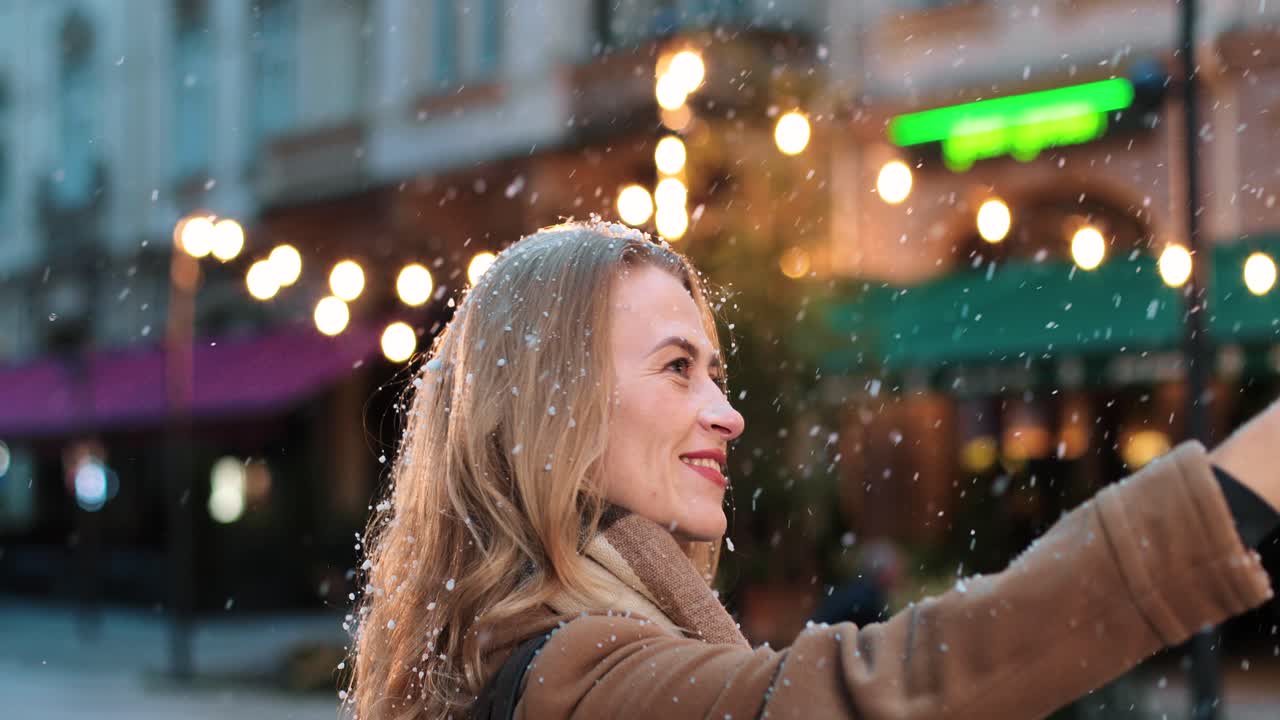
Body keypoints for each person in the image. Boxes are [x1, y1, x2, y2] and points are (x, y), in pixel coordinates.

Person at [349, 219, 1280, 720]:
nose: (727, 409)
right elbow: (885, 691)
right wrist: (1234, 491)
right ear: (552, 411)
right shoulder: (578, 679)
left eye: (715, 372)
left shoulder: (508, 652)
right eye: (678, 368)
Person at [810, 539, 903, 628]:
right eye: (895, 569)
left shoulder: (858, 588)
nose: (898, 575)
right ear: (883, 572)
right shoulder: (868, 599)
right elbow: (882, 631)